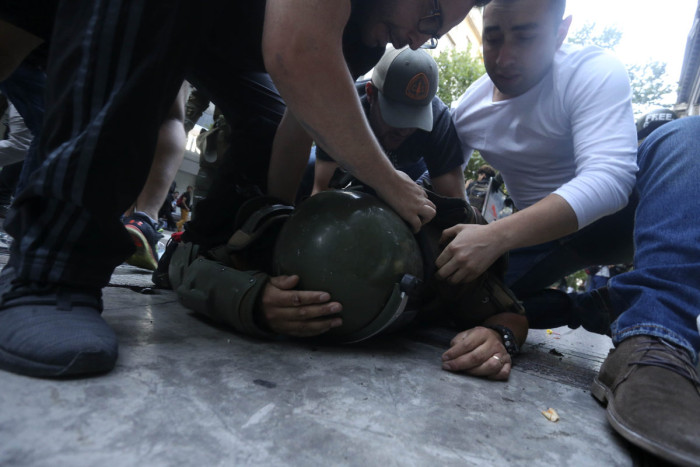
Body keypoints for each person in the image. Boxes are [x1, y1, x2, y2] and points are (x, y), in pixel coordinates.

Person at [0, 0, 487, 379]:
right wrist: (388, 182)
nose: (416, 37)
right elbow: (297, 51)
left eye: (433, 33)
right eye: (429, 14)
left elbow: (300, 123)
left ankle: (200, 251)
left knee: (266, 119)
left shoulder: (366, 35)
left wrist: (263, 242)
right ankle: (50, 272)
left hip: (217, 29)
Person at [443, 0, 698, 461]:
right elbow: (446, 180)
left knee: (688, 137)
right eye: (494, 36)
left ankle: (656, 342)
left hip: (629, 214)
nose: (504, 58)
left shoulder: (592, 69)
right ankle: (594, 306)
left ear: (561, 32)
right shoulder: (469, 109)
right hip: (539, 236)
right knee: (459, 296)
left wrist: (496, 236)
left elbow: (610, 180)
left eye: (526, 36)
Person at [312, 46, 466, 200]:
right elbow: (323, 190)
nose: (405, 131)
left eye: (415, 119)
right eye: (397, 116)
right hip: (353, 163)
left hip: (411, 168)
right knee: (310, 169)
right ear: (371, 94)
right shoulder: (344, 109)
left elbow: (455, 202)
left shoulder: (438, 119)